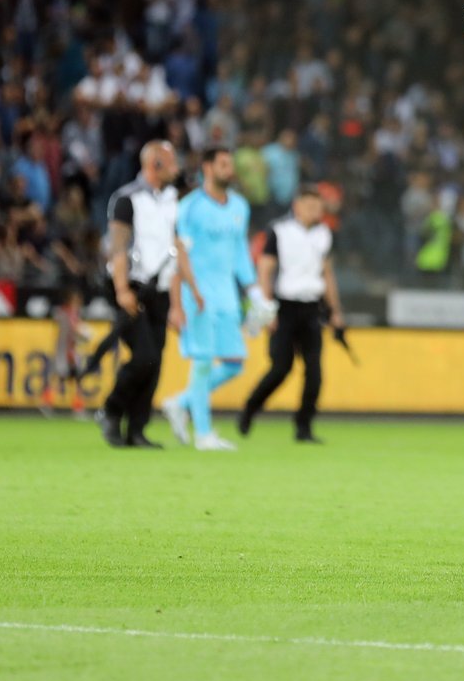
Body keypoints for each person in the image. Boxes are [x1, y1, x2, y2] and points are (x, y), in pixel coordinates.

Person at [162, 147, 274, 451]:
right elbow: (179, 253)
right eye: (224, 164)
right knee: (202, 361)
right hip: (197, 293)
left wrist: (254, 292)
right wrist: (183, 296)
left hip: (227, 294)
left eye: (231, 164)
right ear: (207, 168)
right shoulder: (190, 206)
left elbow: (240, 252)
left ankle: (179, 403)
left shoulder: (239, 205)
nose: (230, 170)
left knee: (234, 362)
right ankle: (204, 434)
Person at [95, 141, 188, 448]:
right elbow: (118, 247)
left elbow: (174, 253)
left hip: (161, 289)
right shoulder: (127, 198)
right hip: (133, 286)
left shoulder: (173, 200)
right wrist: (121, 289)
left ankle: (137, 428)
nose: (176, 166)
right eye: (170, 160)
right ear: (155, 164)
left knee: (155, 361)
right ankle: (111, 409)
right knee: (144, 355)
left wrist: (176, 303)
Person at [238, 186, 342, 442]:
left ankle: (303, 427)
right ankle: (250, 408)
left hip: (311, 308)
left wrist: (335, 310)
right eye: (310, 205)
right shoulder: (280, 231)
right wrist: (267, 308)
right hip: (284, 307)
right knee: (281, 368)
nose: (315, 210)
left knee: (314, 372)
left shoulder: (324, 234)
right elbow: (265, 269)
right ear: (297, 206)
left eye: (318, 206)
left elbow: (326, 273)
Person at [39, 286, 92, 418]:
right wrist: (84, 334)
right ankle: (47, 404)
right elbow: (73, 332)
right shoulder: (66, 314)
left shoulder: (71, 314)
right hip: (65, 353)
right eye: (76, 300)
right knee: (60, 379)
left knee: (75, 379)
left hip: (71, 353)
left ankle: (77, 408)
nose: (79, 302)